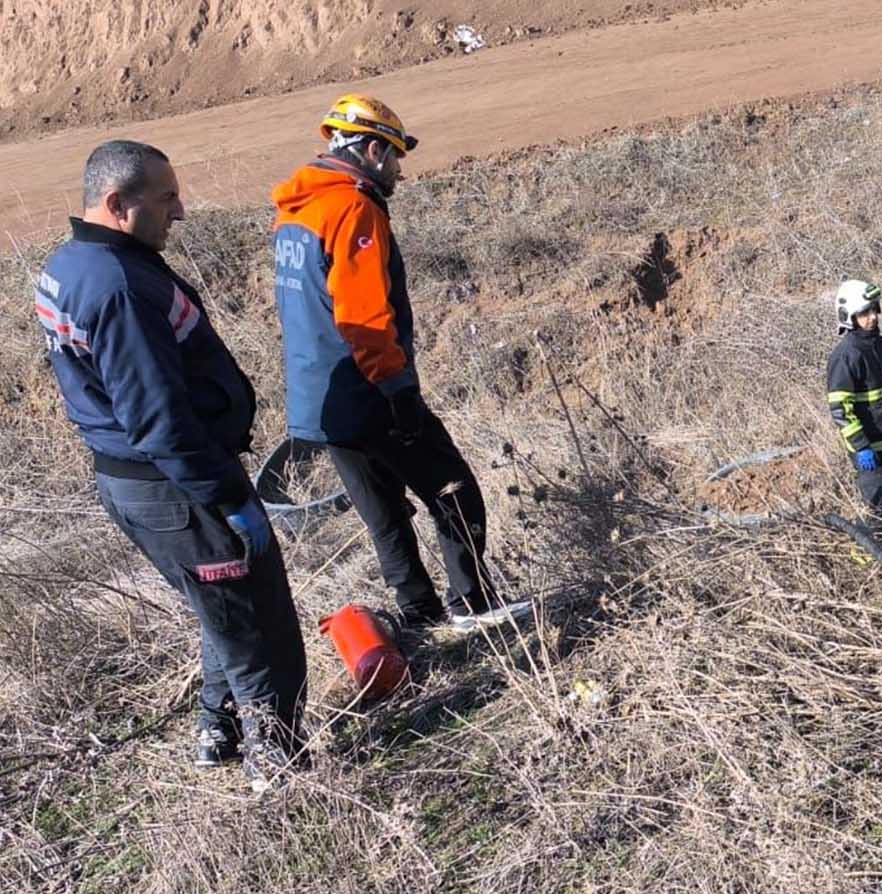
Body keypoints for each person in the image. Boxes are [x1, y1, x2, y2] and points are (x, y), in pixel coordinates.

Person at [37, 140, 307, 789]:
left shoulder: (75, 264)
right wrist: (228, 498)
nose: (180, 211)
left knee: (220, 605)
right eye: (166, 198)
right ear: (117, 203)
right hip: (179, 487)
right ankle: (285, 773)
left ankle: (218, 733)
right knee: (257, 628)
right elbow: (158, 420)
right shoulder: (119, 286)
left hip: (147, 484)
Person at [272, 95, 527, 631]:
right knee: (452, 490)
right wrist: (398, 391)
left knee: (382, 512)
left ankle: (420, 615)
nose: (398, 170)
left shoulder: (296, 211)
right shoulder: (353, 208)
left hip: (319, 399)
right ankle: (473, 607)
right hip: (368, 389)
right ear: (371, 150)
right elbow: (363, 313)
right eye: (394, 156)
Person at [826, 279, 882, 520]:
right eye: (864, 312)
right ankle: (875, 555)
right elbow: (841, 410)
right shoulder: (846, 356)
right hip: (871, 454)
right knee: (880, 515)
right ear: (848, 316)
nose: (872, 317)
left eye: (874, 309)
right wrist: (861, 447)